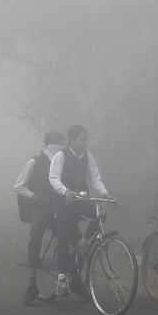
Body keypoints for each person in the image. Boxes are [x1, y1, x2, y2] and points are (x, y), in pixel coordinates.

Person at [49, 125, 113, 298]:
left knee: (101, 213)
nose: (85, 142)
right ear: (71, 140)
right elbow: (53, 178)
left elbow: (95, 178)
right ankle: (62, 278)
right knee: (63, 238)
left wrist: (105, 193)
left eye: (86, 139)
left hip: (81, 200)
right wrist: (65, 191)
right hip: (64, 202)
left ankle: (83, 243)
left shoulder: (87, 157)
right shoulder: (60, 156)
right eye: (81, 139)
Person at [14, 131, 66, 304]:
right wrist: (34, 196)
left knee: (67, 237)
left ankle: (68, 276)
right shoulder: (35, 161)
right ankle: (32, 281)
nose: (60, 147)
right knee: (35, 240)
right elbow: (19, 185)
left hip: (59, 205)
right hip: (41, 207)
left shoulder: (63, 161)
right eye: (58, 143)